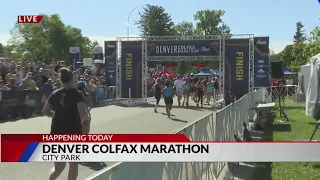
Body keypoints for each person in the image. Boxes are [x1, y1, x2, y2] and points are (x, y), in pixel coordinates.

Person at [42, 68, 90, 180]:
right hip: (72, 133)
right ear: (73, 79)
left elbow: (45, 111)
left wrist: (54, 115)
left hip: (56, 132)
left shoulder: (55, 93)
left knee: (59, 166)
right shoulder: (77, 94)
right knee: (73, 164)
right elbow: (84, 116)